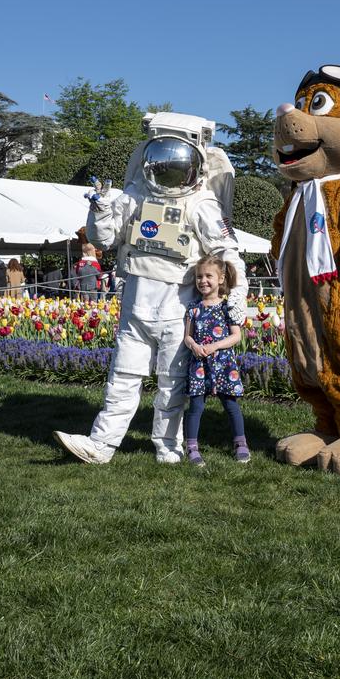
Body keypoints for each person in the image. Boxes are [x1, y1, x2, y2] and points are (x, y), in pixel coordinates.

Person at [54, 112, 248, 465]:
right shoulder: (135, 195)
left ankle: (168, 448)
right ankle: (101, 445)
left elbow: (227, 252)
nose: (169, 168)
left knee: (172, 384)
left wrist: (236, 297)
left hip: (177, 306)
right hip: (136, 302)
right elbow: (104, 239)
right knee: (122, 378)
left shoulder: (202, 204)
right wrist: (100, 210)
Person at [181, 255, 249, 466]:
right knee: (196, 407)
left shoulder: (228, 307)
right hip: (199, 364)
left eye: (208, 276)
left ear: (220, 279)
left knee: (231, 404)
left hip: (224, 364)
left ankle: (240, 443)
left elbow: (236, 336)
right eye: (199, 277)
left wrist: (215, 346)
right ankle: (192, 447)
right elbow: (187, 336)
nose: (203, 281)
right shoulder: (194, 308)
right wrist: (194, 346)